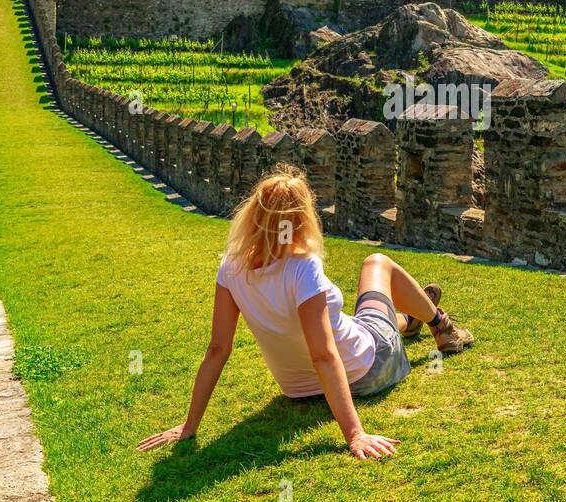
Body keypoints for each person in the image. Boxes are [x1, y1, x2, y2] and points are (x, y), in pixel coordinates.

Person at [136, 167, 474, 460]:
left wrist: (189, 425)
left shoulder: (231, 267)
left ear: (254, 215)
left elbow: (217, 349)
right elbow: (324, 356)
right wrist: (355, 434)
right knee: (376, 264)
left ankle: (408, 320)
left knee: (364, 319)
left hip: (299, 390)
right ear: (301, 219)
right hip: (369, 368)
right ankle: (440, 326)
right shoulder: (302, 267)